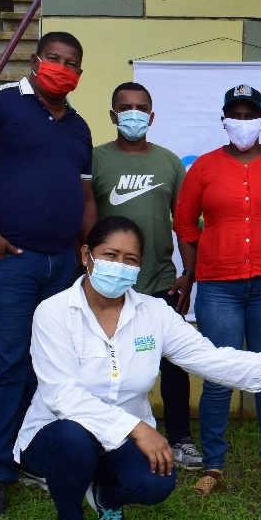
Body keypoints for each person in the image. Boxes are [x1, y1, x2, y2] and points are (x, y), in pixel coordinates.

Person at [18, 216, 261, 520]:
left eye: (130, 260)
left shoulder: (155, 313)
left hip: (120, 440)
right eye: (110, 255)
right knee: (72, 439)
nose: (119, 266)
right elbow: (62, 396)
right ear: (86, 255)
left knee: (156, 483)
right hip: (55, 435)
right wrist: (138, 429)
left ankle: (107, 498)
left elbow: (210, 359)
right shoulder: (54, 312)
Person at [0, 31, 97, 517]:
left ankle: (32, 454)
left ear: (80, 74)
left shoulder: (79, 128)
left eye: (72, 63)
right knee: (1, 363)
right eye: (54, 58)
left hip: (62, 263)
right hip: (7, 260)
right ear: (37, 61)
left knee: (50, 366)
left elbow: (83, 198)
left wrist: (91, 249)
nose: (62, 67)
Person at [173, 83, 261, 494]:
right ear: (224, 120)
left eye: (251, 114)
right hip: (217, 287)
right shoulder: (204, 168)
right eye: (237, 114)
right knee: (218, 374)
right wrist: (197, 268)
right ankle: (213, 464)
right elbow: (185, 224)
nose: (244, 121)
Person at [91, 82, 198, 468]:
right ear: (113, 114)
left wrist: (190, 273)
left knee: (172, 365)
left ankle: (181, 438)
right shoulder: (95, 160)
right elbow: (84, 217)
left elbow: (185, 223)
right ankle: (105, 436)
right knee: (105, 362)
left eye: (140, 108)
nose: (133, 114)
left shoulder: (169, 162)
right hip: (107, 285)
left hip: (160, 281)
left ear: (151, 117)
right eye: (125, 107)